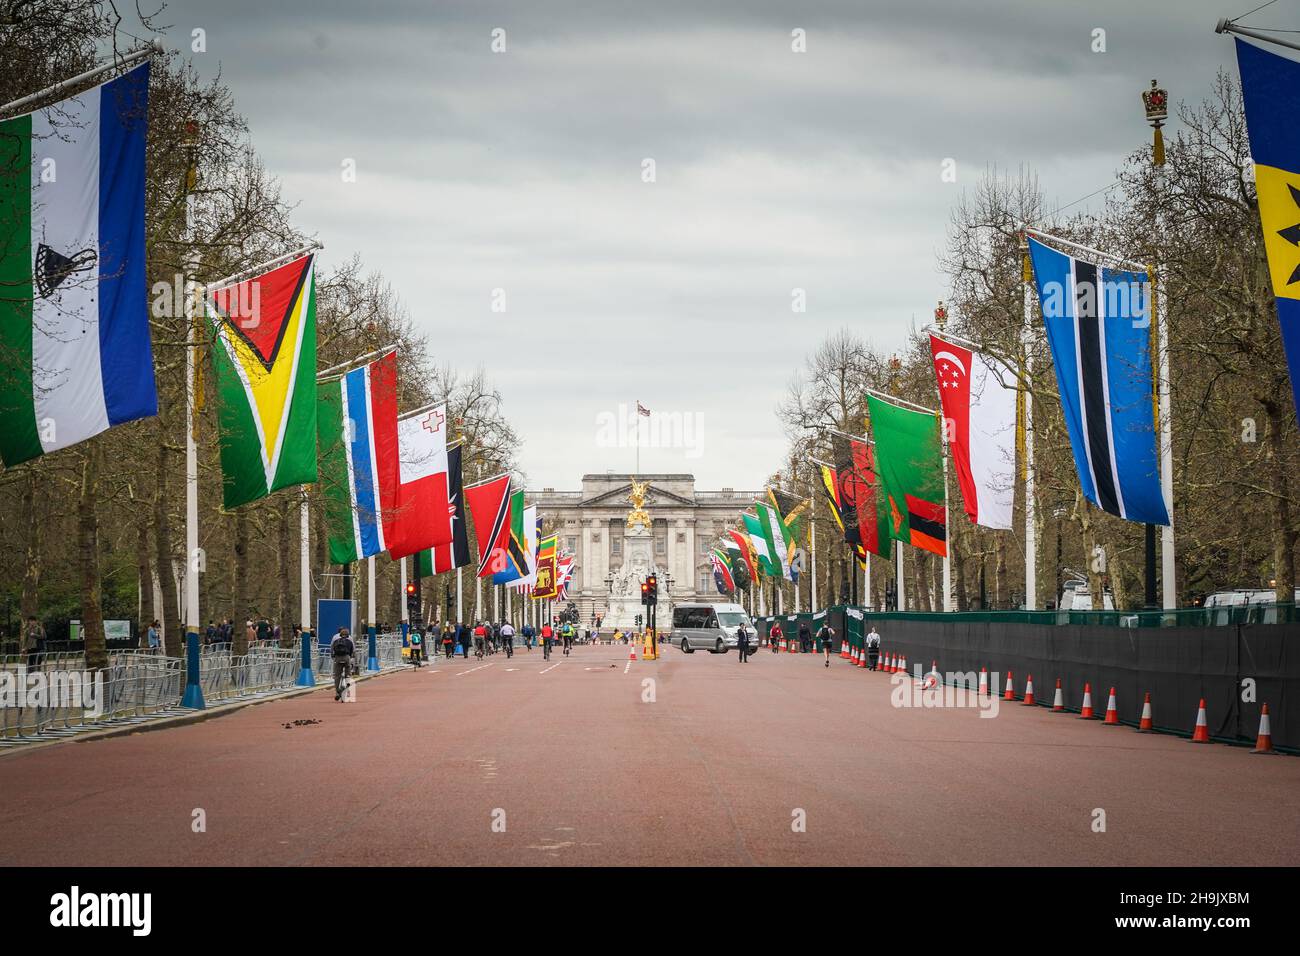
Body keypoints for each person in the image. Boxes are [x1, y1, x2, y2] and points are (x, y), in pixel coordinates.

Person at [330, 627, 355, 701]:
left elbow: (332, 649)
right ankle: (347, 682)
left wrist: (332, 656)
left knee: (337, 675)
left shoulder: (336, 641)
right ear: (347, 635)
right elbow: (352, 650)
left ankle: (337, 692)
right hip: (346, 658)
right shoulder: (349, 641)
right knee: (348, 670)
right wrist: (351, 657)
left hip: (337, 658)